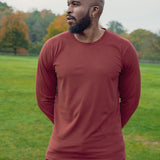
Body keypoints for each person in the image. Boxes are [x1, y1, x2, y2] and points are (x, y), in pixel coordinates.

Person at [36, 0, 141, 159]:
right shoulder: (52, 47)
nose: (69, 10)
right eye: (68, 4)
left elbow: (130, 100)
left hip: (108, 153)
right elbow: (44, 98)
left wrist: (108, 130)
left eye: (75, 4)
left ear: (94, 10)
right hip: (62, 152)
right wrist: (65, 127)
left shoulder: (124, 49)